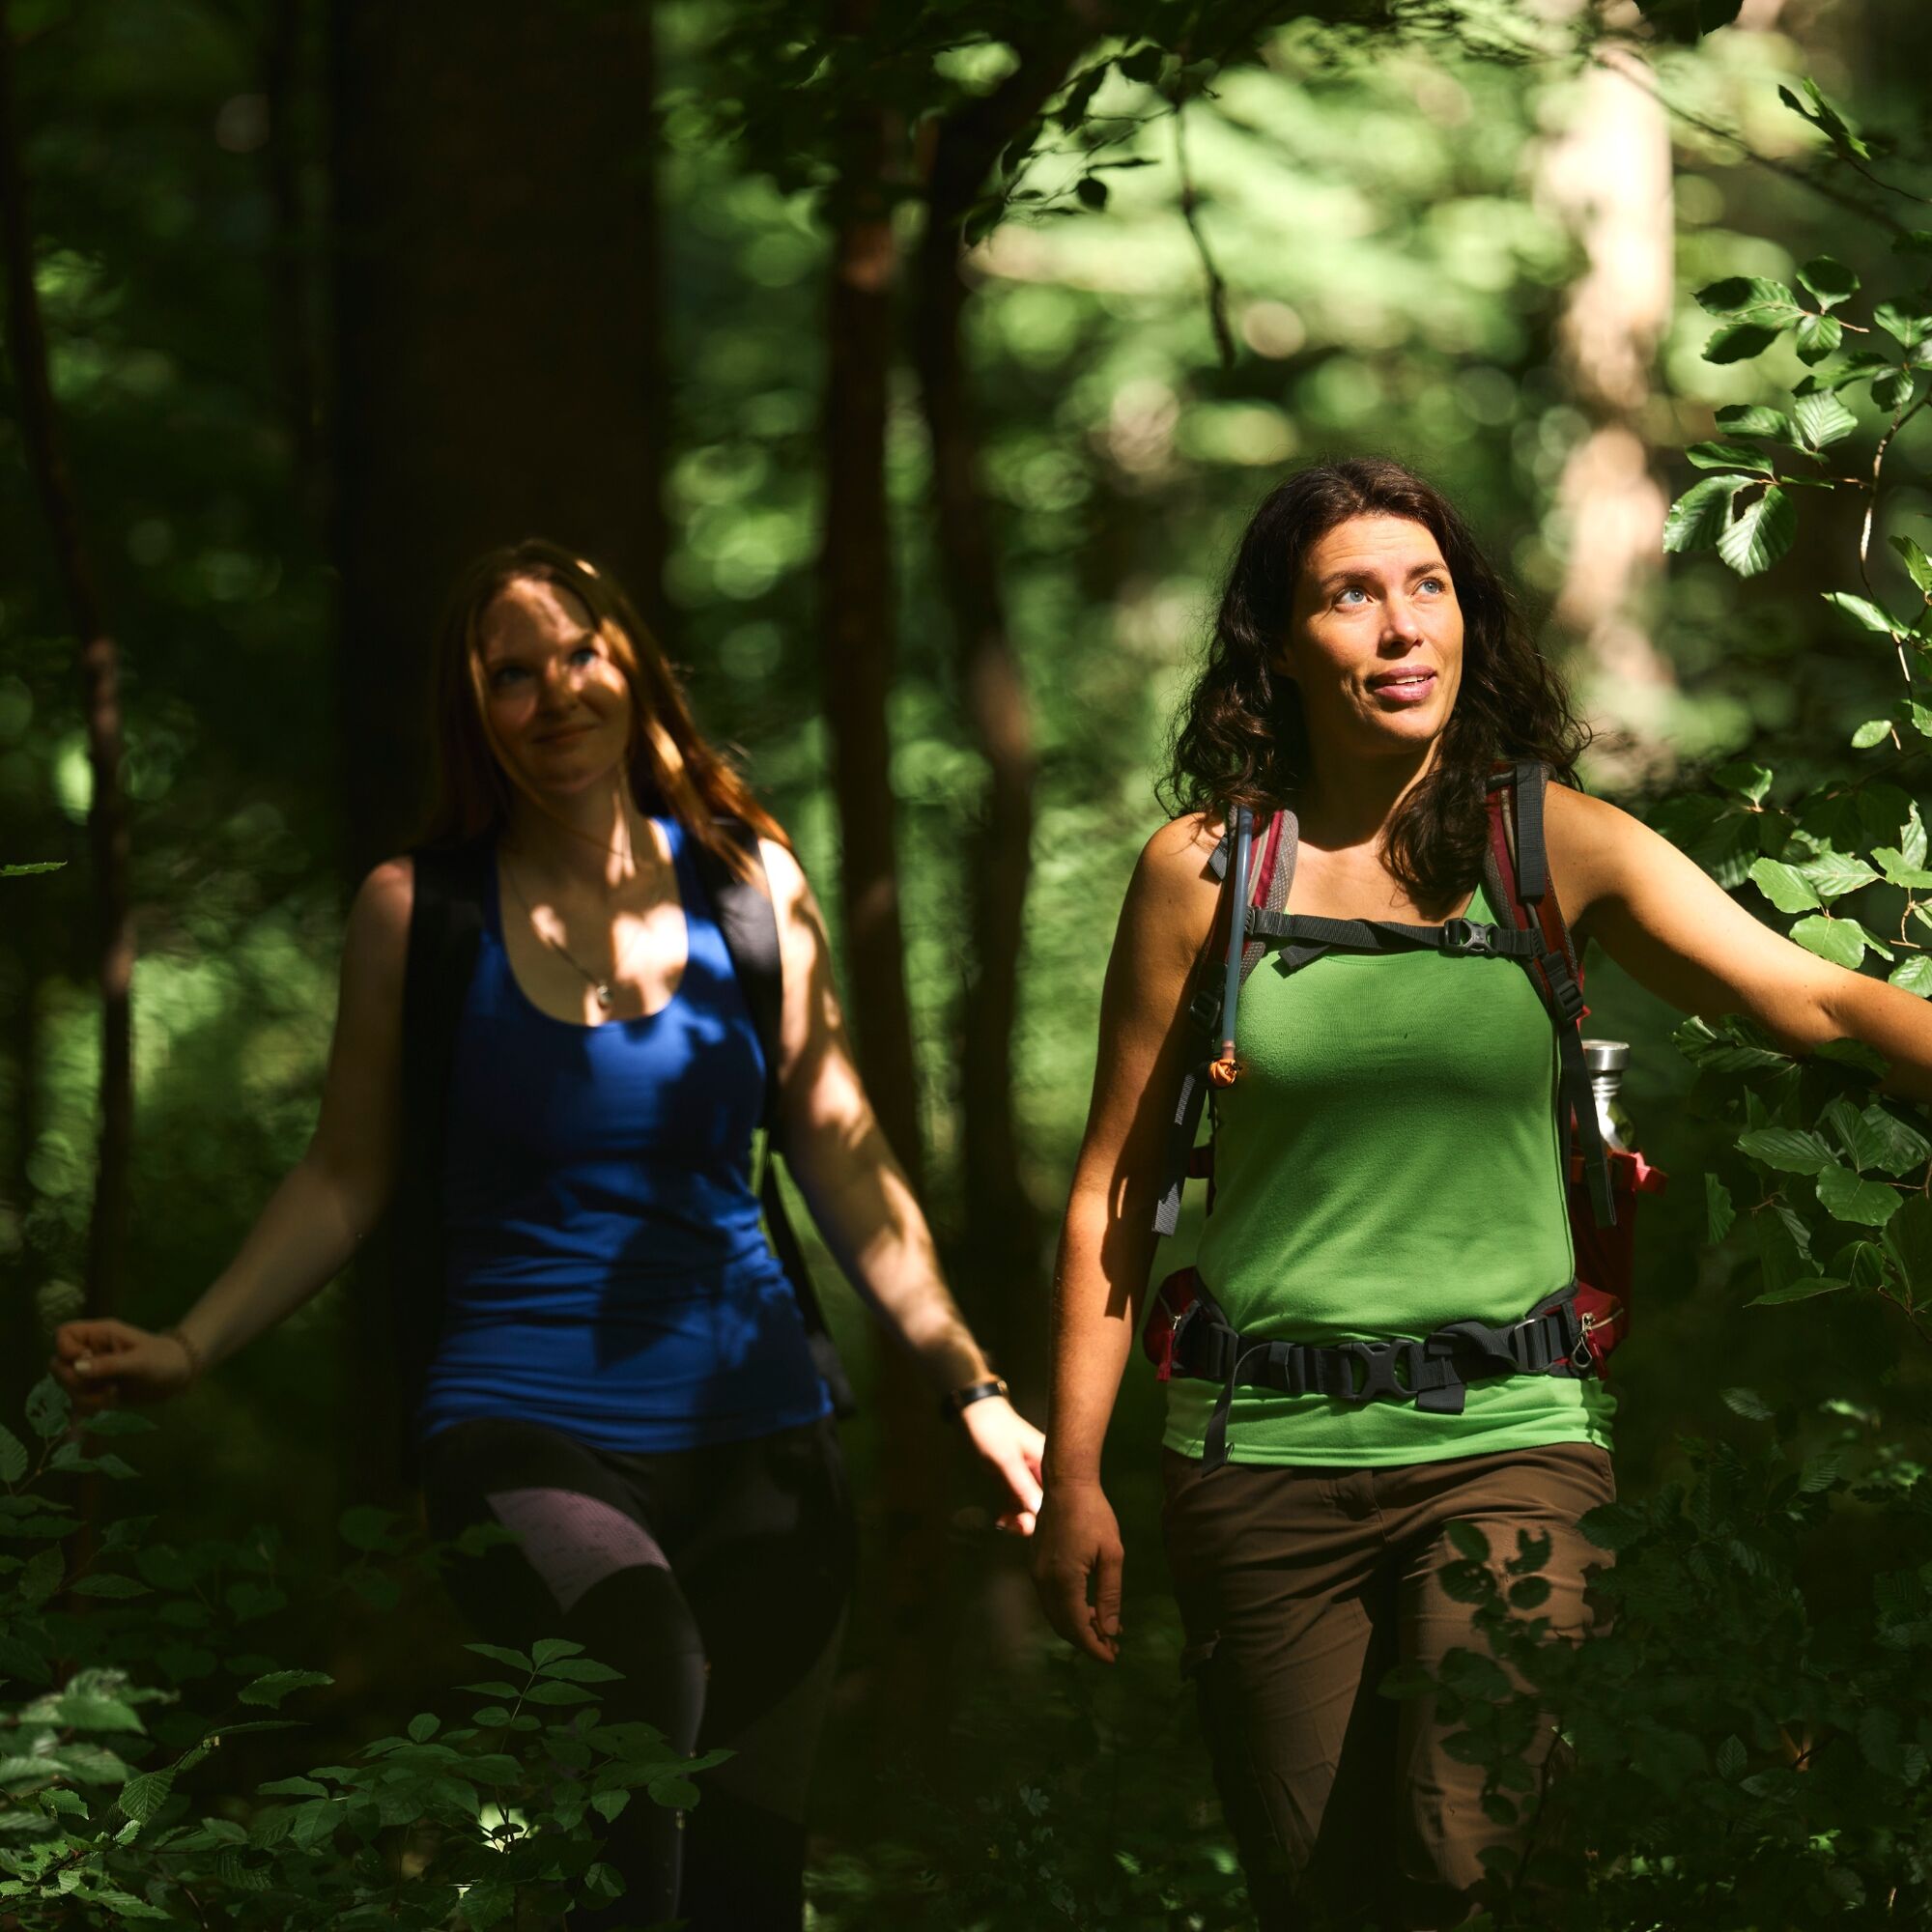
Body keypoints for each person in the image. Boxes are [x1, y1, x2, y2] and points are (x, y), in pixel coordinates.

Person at [50, 539, 1044, 1932]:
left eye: (579, 653)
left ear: (632, 666)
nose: (555, 693)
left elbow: (841, 1144)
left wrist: (971, 1387)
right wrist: (191, 1344)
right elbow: (344, 1174)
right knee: (641, 1696)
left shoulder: (749, 883)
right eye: (511, 675)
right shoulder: (419, 912)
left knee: (744, 1887)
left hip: (767, 1441)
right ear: (474, 714)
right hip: (520, 1428)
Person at [1031, 458, 1932, 1928]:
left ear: (1471, 617)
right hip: (1260, 1457)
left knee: (1472, 1870)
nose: (1401, 628)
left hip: (1508, 1440)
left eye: (1428, 587)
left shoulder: (1547, 843)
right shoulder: (1207, 874)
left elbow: (1814, 1002)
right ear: (1277, 643)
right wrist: (1074, 1477)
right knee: (1323, 1899)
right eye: (1351, 596)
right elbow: (1114, 1197)